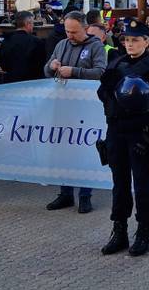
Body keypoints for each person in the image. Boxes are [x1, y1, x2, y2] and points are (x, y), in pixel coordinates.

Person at [97, 19, 149, 256]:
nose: (129, 44)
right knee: (119, 183)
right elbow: (104, 94)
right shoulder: (116, 63)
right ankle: (119, 231)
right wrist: (110, 95)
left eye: (134, 40)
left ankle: (142, 232)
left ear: (145, 41)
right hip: (116, 130)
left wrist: (141, 105)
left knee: (141, 183)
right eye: (127, 40)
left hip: (141, 133)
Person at [44, 11, 108, 214]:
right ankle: (65, 193)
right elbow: (47, 69)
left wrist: (74, 72)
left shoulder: (96, 46)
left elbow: (101, 72)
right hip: (63, 106)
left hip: (85, 108)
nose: (69, 35)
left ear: (85, 28)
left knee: (83, 150)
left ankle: (85, 195)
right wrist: (50, 66)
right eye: (67, 31)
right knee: (64, 150)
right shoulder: (61, 44)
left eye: (74, 31)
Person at [0, 11, 46, 83]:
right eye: (32, 23)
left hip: (10, 82)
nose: (33, 25)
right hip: (31, 83)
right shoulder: (36, 42)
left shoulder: (6, 41)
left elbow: (2, 63)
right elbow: (41, 65)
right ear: (27, 24)